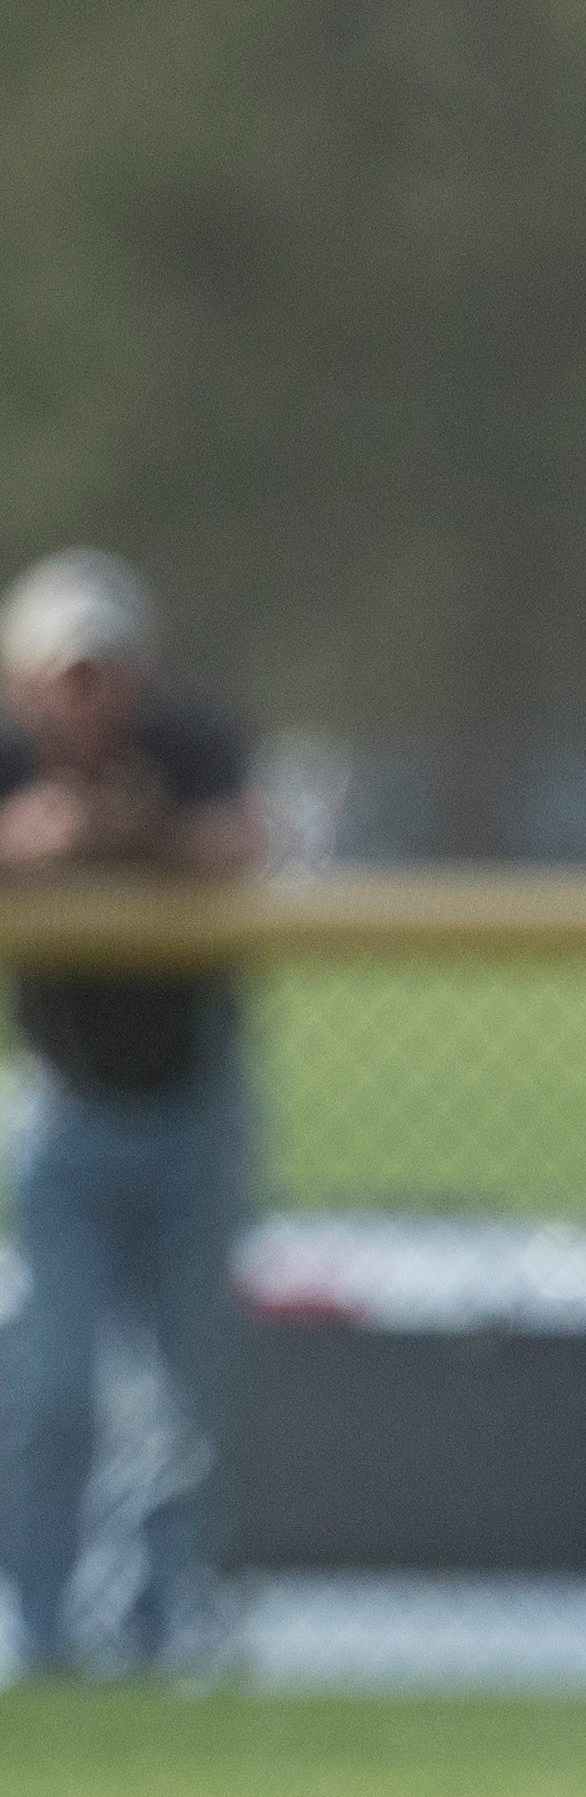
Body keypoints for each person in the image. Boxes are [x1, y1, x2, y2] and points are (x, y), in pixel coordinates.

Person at [0, 549, 263, 1676]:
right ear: (28, 680)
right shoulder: (14, 763)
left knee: (182, 1400)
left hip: (191, 1106)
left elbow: (244, 843)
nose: (88, 694)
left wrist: (136, 831)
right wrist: (48, 838)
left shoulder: (191, 746)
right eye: (68, 673)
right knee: (49, 1382)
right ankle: (40, 1630)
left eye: (105, 670)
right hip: (62, 1108)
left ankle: (160, 1629)